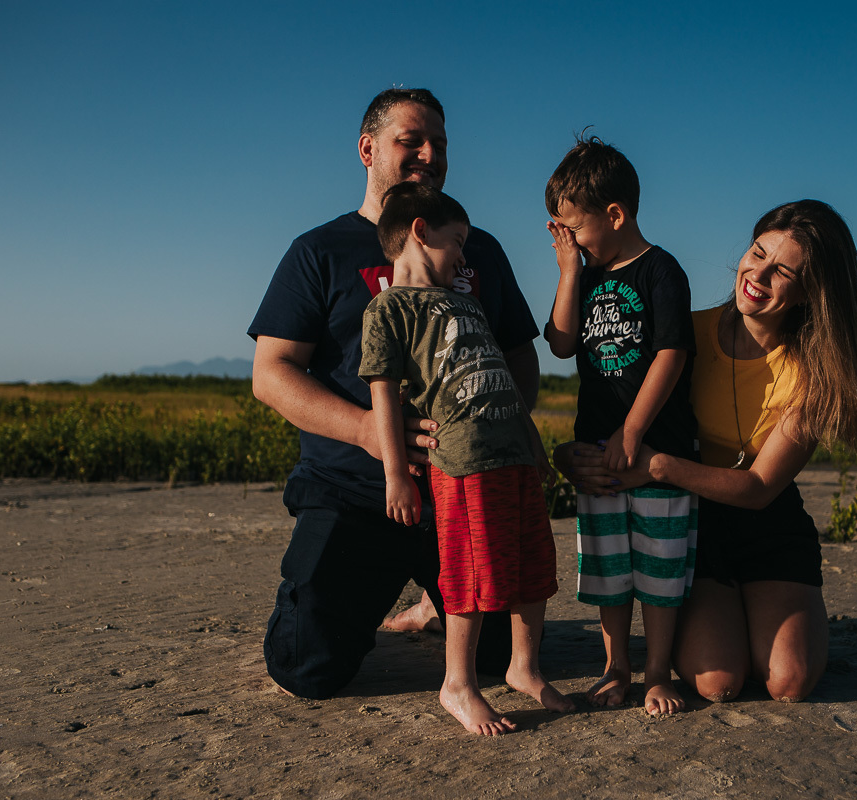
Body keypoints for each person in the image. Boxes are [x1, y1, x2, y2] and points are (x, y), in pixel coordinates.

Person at [247, 88, 541, 700]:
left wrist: (496, 430)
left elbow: (519, 354)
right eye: (412, 141)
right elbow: (270, 373)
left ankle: (436, 606)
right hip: (356, 491)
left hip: (462, 491)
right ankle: (372, 596)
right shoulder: (318, 251)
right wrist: (367, 432)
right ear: (368, 149)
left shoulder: (474, 247)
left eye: (440, 144)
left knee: (494, 654)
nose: (430, 155)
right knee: (305, 667)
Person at [555, 199, 857, 704]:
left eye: (782, 271)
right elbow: (607, 399)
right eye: (757, 253)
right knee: (717, 682)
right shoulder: (684, 334)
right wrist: (573, 456)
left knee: (788, 684)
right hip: (696, 525)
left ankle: (780, 616)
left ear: (811, 293)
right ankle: (733, 624)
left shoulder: (817, 375)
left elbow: (758, 489)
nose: (758, 275)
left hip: (768, 525)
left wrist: (657, 466)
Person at [360, 182, 573, 735]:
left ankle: (524, 668)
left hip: (513, 455)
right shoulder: (389, 308)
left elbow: (498, 372)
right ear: (420, 231)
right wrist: (394, 475)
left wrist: (532, 441)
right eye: (457, 241)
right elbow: (384, 394)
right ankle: (457, 684)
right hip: (462, 461)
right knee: (471, 574)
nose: (462, 254)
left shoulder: (465, 300)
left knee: (532, 565)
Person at [543, 136, 698, 715]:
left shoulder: (661, 269)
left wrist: (633, 431)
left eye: (573, 229)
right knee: (610, 570)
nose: (570, 241)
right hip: (595, 453)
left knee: (657, 568)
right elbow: (559, 344)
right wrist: (567, 270)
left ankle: (658, 669)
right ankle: (617, 665)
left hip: (655, 446)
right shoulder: (581, 275)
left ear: (616, 214)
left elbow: (671, 352)